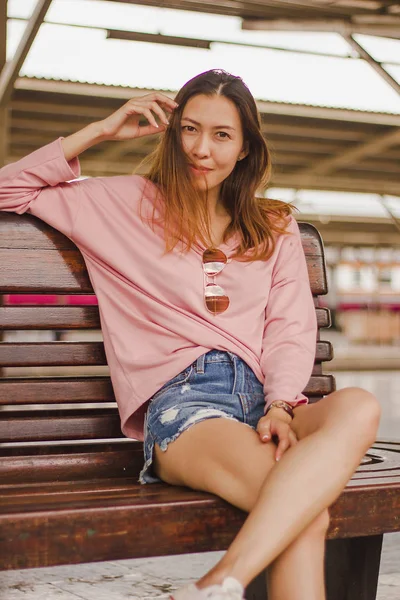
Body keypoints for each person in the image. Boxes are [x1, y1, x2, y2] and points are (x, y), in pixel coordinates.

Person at [0, 69, 381, 600]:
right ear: (172, 133)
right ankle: (221, 582)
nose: (202, 149)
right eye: (190, 129)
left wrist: (277, 406)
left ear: (246, 148)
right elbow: (7, 188)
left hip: (264, 408)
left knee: (360, 405)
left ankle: (218, 582)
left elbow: (290, 327)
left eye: (222, 135)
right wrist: (102, 130)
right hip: (187, 410)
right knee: (305, 518)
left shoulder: (272, 227)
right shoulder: (124, 204)